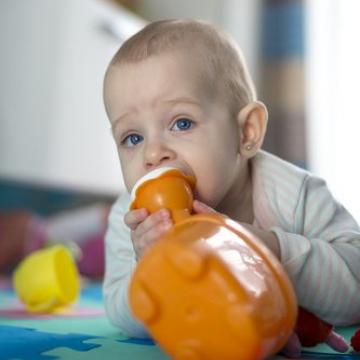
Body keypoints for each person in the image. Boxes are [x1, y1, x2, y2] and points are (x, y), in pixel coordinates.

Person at [102, 19, 360, 355]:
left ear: (247, 132)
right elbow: (122, 317)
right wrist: (150, 266)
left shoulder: (296, 195)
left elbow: (355, 288)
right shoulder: (133, 219)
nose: (153, 154)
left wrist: (273, 250)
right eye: (132, 138)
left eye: (182, 123)